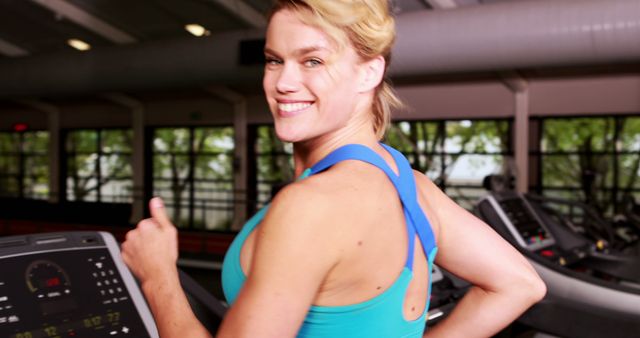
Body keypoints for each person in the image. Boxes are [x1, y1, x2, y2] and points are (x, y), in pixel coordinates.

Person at [121, 0, 546, 337]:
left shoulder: (311, 207)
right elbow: (519, 283)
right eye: (274, 60)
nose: (282, 83)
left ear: (370, 71)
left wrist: (159, 278)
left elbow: (521, 286)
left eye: (312, 61)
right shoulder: (408, 182)